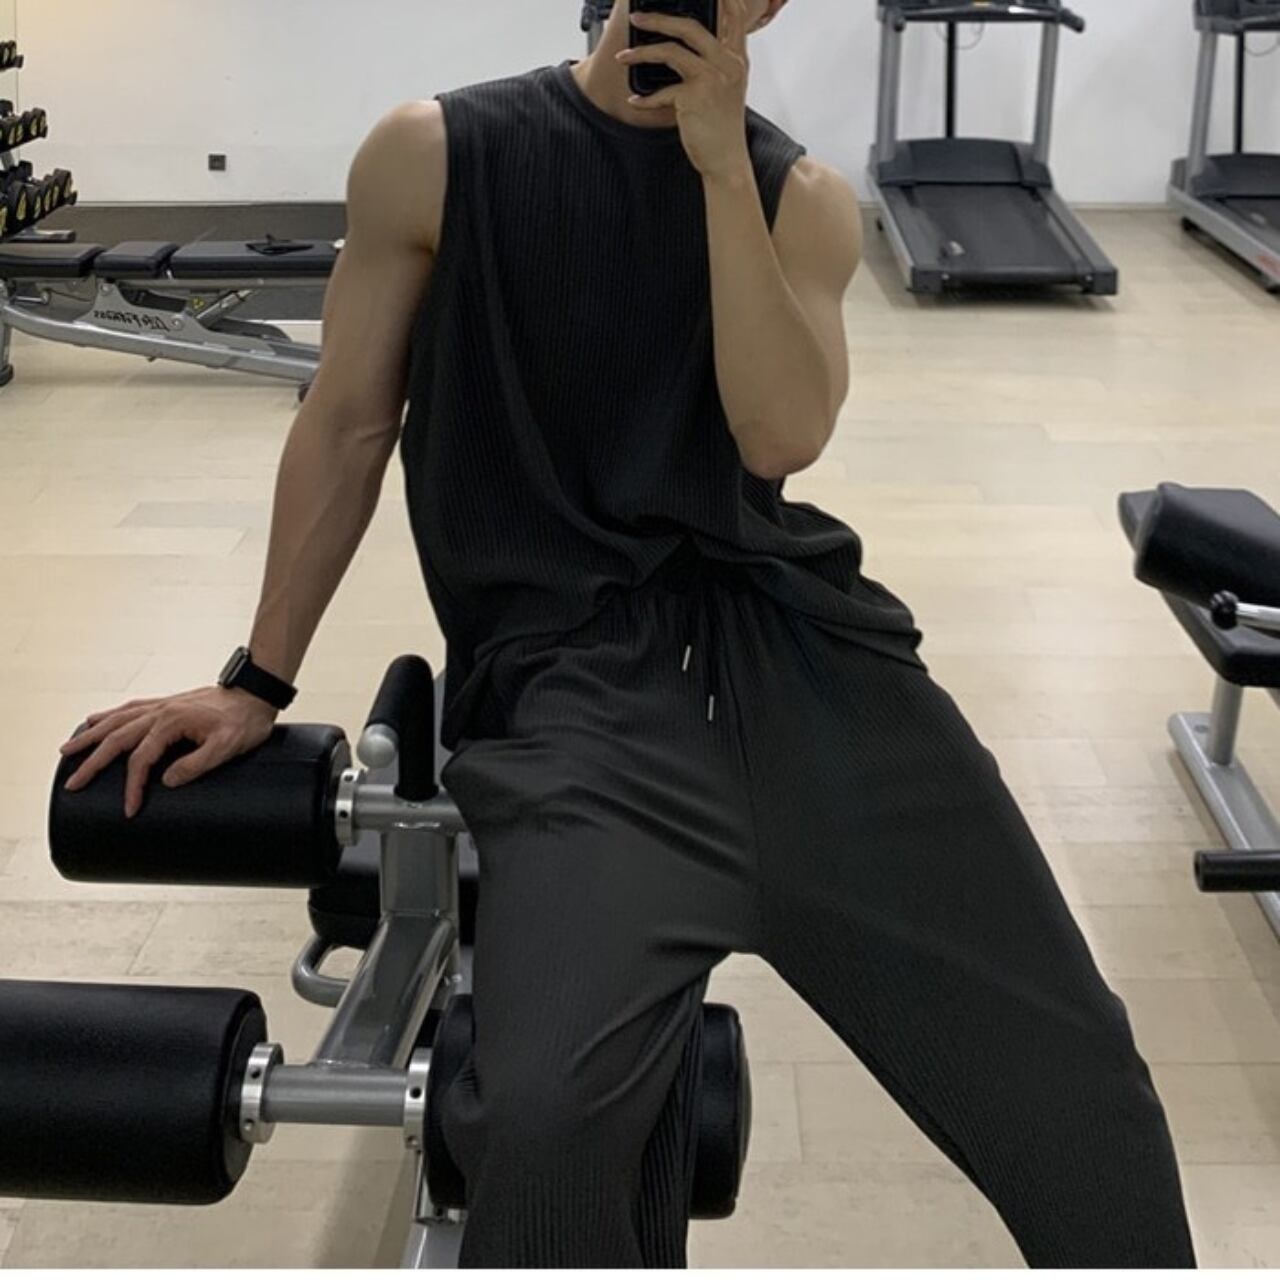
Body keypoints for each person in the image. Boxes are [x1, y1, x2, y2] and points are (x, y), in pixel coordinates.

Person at [59, 0, 1197, 1267]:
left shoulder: (799, 198)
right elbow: (347, 419)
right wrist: (256, 679)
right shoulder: (432, 155)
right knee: (544, 1121)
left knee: (1077, 1083)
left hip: (813, 673)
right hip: (571, 687)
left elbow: (778, 434)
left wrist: (719, 169)